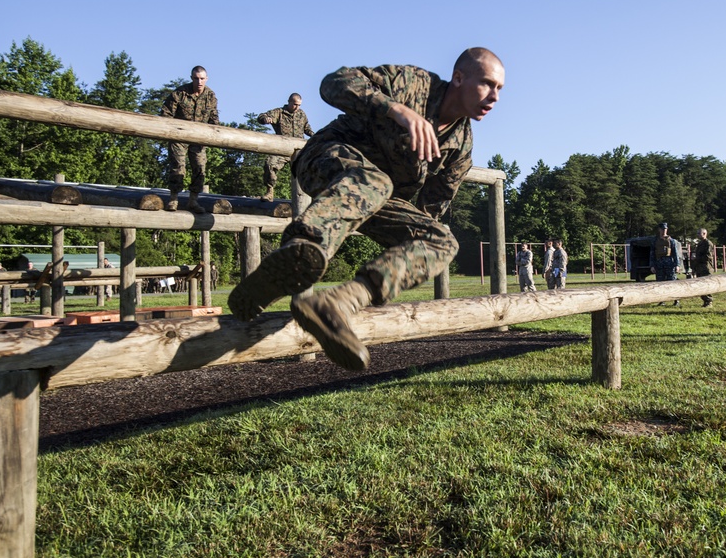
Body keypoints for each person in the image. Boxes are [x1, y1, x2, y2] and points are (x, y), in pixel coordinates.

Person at [229, 48, 505, 372]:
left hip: (376, 198)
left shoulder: (461, 147)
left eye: (500, 89)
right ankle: (302, 250)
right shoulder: (412, 84)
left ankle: (338, 303)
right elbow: (333, 83)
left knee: (442, 240)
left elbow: (430, 209)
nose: (494, 96)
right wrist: (396, 110)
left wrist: (411, 251)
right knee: (376, 180)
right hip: (328, 160)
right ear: (459, 78)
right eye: (487, 84)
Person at [161, 65, 219, 214]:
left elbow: (214, 118)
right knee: (178, 166)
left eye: (202, 79)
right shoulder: (180, 93)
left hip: (199, 139)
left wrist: (214, 134)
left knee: (200, 168)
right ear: (192, 78)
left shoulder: (210, 96)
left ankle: (193, 200)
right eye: (196, 78)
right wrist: (172, 132)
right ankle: (174, 199)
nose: (199, 81)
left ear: (206, 79)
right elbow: (166, 113)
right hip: (179, 137)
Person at [257, 93, 315, 201]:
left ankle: (312, 197)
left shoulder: (302, 114)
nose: (297, 107)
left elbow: (307, 128)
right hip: (283, 149)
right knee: (270, 164)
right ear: (289, 102)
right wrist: (266, 119)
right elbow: (261, 117)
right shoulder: (279, 113)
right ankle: (270, 192)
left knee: (309, 170)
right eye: (295, 104)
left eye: (299, 105)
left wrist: (314, 136)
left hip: (299, 150)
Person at [650, 222, 683, 306]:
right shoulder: (655, 241)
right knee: (660, 283)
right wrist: (652, 265)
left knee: (672, 282)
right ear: (659, 230)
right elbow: (652, 254)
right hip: (659, 263)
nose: (664, 231)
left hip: (669, 263)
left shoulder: (671, 241)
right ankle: (662, 300)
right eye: (662, 229)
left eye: (665, 229)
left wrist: (677, 265)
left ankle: (676, 300)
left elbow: (675, 253)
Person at [691, 227, 716, 307]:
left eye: (699, 233)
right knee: (701, 286)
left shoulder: (708, 243)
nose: (697, 235)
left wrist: (696, 258)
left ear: (704, 234)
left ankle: (709, 301)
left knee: (707, 285)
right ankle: (705, 301)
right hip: (699, 268)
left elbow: (708, 257)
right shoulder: (700, 243)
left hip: (706, 268)